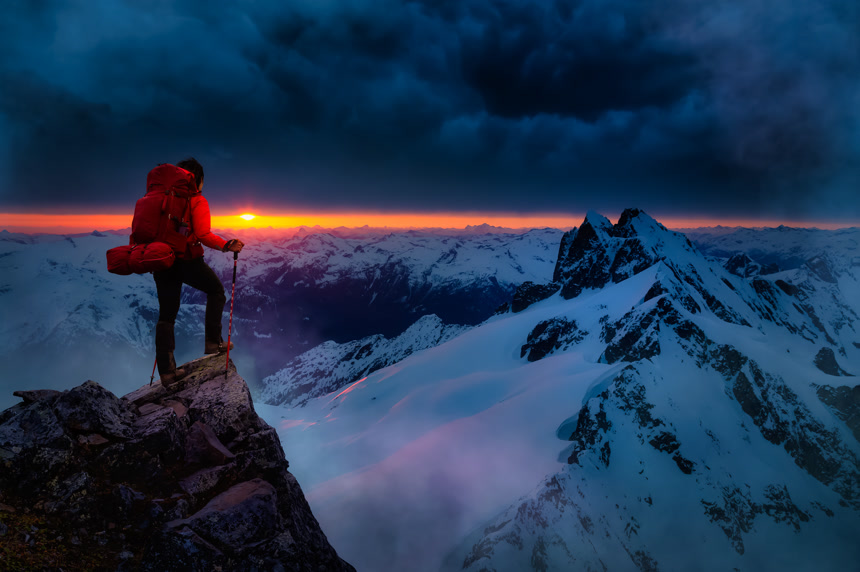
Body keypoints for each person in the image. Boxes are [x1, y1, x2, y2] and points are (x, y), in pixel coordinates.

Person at [153, 157, 244, 386]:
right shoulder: (196, 200)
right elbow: (203, 234)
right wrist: (226, 245)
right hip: (186, 259)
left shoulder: (161, 198)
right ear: (199, 180)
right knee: (216, 291)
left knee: (167, 316)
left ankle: (166, 372)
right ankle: (213, 342)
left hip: (161, 259)